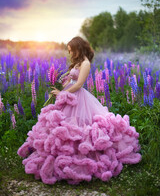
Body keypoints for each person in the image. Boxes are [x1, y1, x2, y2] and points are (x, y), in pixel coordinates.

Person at [17, 36, 141, 185]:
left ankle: (82, 159)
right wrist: (59, 90)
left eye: (71, 51)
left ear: (78, 48)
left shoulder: (86, 63)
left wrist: (63, 93)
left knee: (80, 126)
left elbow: (79, 84)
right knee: (61, 125)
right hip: (68, 96)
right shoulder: (76, 64)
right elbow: (70, 81)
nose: (70, 54)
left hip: (79, 97)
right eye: (69, 51)